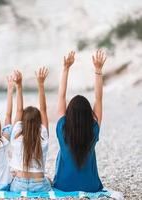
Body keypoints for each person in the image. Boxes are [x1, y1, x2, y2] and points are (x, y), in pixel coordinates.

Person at [53, 50, 106, 192]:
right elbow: (98, 99)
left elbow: (61, 97)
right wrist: (98, 70)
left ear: (68, 113)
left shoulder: (62, 127)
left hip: (63, 186)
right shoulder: (94, 128)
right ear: (89, 113)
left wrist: (66, 68)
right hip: (91, 186)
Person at [10, 68, 52, 192]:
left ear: (22, 122)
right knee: (49, 181)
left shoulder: (17, 135)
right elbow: (43, 110)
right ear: (39, 123)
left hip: (19, 185)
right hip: (39, 185)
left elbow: (18, 110)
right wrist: (41, 84)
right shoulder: (43, 136)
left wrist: (19, 85)